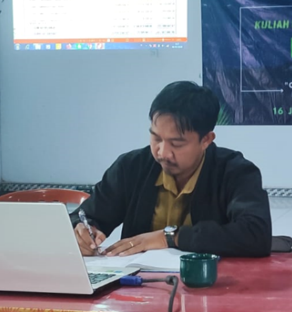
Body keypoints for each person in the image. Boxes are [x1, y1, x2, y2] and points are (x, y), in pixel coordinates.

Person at [72, 81, 272, 258]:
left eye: (176, 143)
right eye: (156, 138)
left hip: (212, 283)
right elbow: (84, 216)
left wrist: (170, 237)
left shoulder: (235, 172)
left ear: (206, 140)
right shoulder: (131, 167)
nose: (163, 152)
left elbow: (256, 234)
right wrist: (81, 232)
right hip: (138, 284)